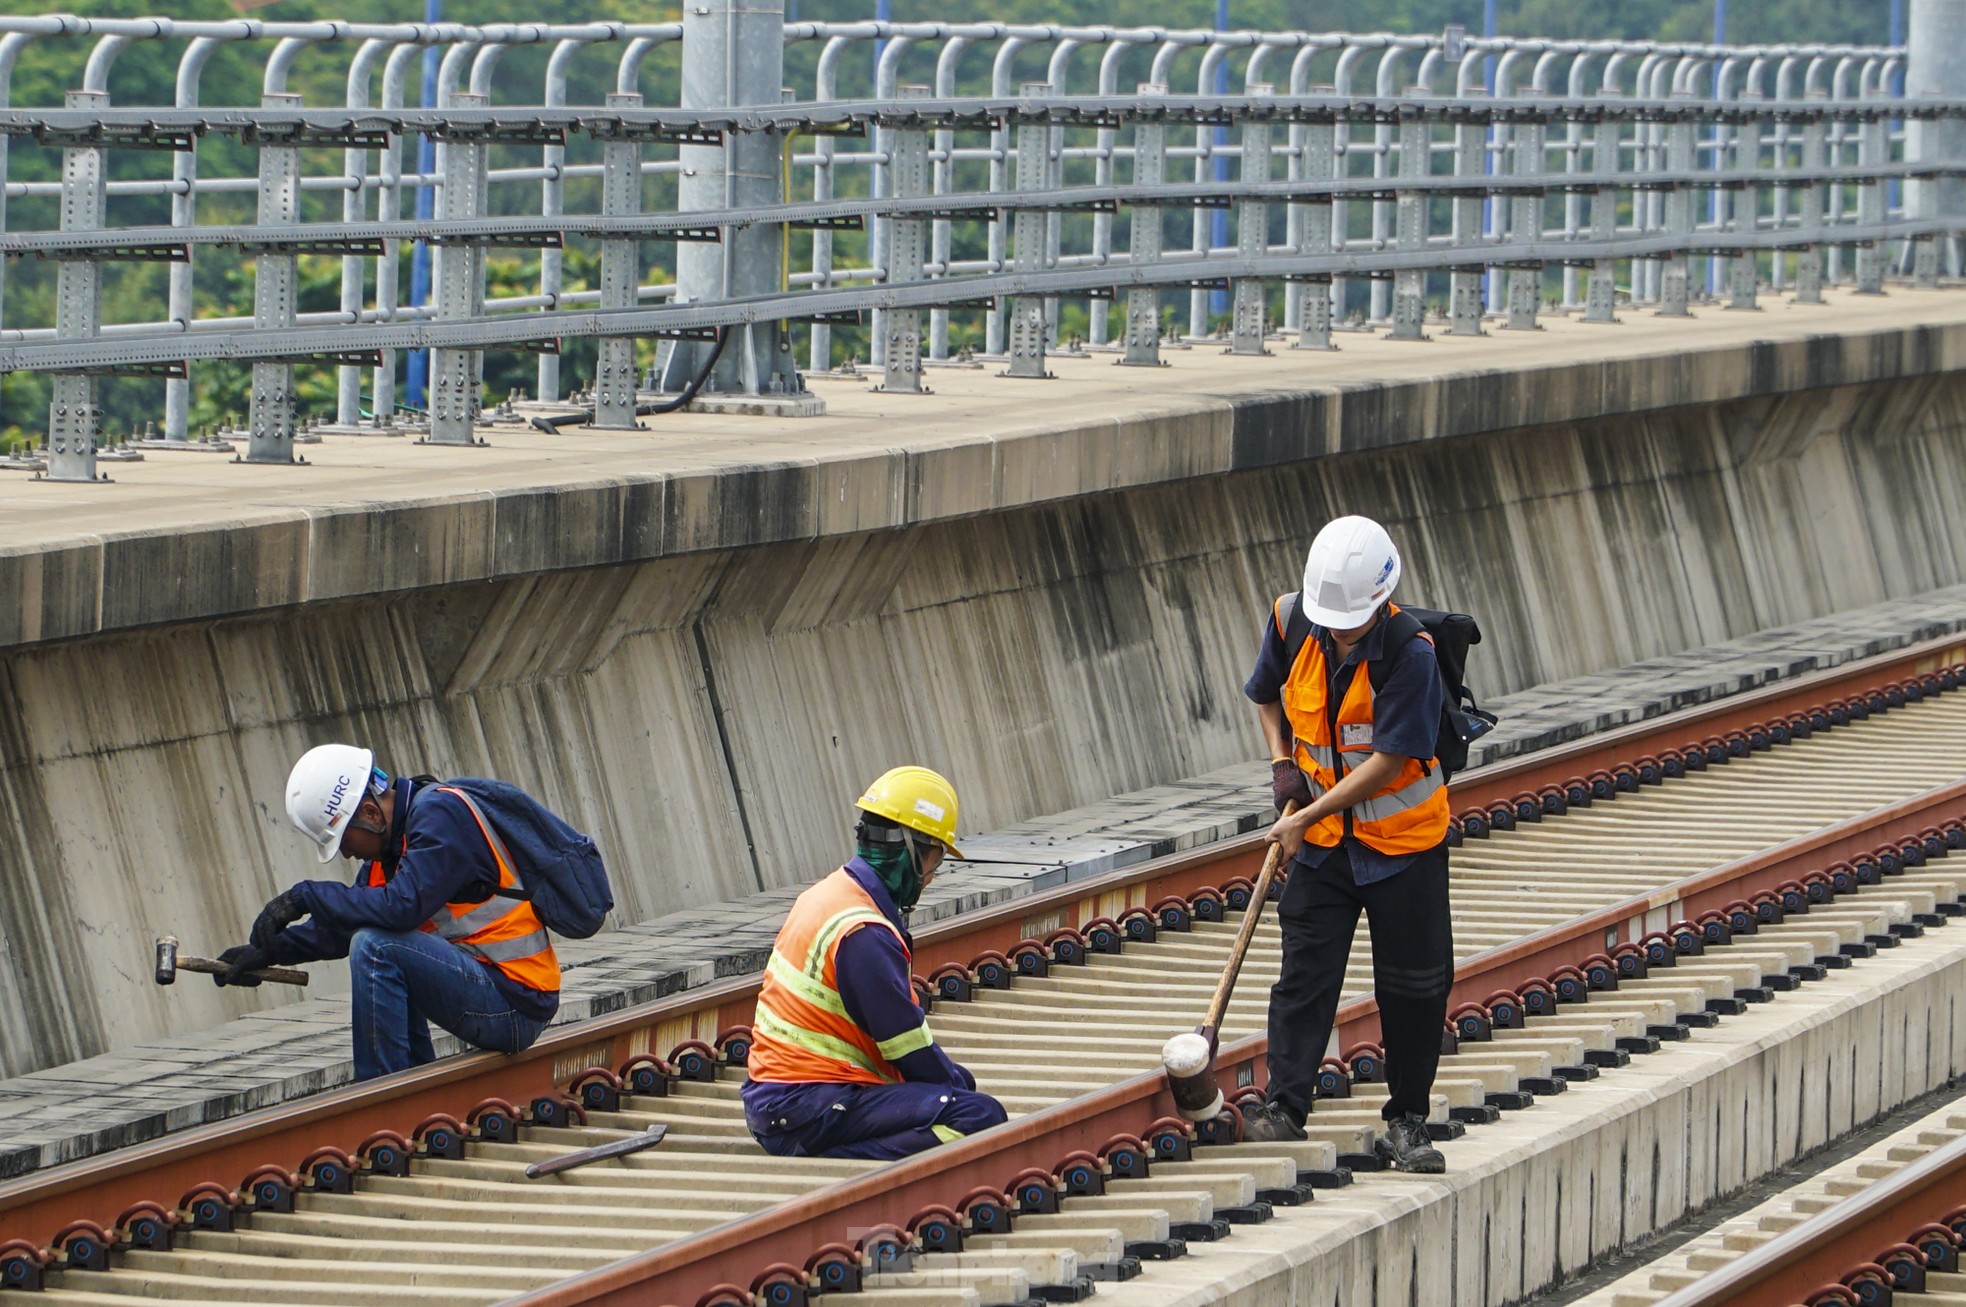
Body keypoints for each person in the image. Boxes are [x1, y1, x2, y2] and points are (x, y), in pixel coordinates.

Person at [1239, 515, 1454, 1174]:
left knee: (1414, 986)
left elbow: (1387, 764)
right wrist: (1282, 766)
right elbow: (1266, 696)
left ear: (1379, 601)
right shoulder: (1292, 621)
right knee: (1304, 971)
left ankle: (1408, 1120)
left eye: (1349, 620)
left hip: (1403, 843)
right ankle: (1284, 1105)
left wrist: (1305, 813)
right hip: (1329, 843)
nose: (1337, 629)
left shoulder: (1410, 653)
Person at [214, 745, 562, 1080]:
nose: (348, 855)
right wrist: (268, 951)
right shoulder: (390, 856)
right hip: (486, 989)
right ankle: (414, 1087)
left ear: (370, 813)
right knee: (375, 940)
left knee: (377, 947)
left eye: (345, 842)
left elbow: (401, 909)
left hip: (517, 1002)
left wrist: (306, 895)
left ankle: (383, 1098)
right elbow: (343, 927)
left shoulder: (442, 818)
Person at [742, 766, 1008, 1160]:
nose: (930, 878)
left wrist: (952, 1084)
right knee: (979, 1116)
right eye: (934, 859)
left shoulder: (832, 894)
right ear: (911, 850)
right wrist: (955, 1089)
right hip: (806, 1106)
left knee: (957, 1088)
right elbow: (906, 1044)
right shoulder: (862, 931)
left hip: (788, 1097)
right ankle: (834, 1160)